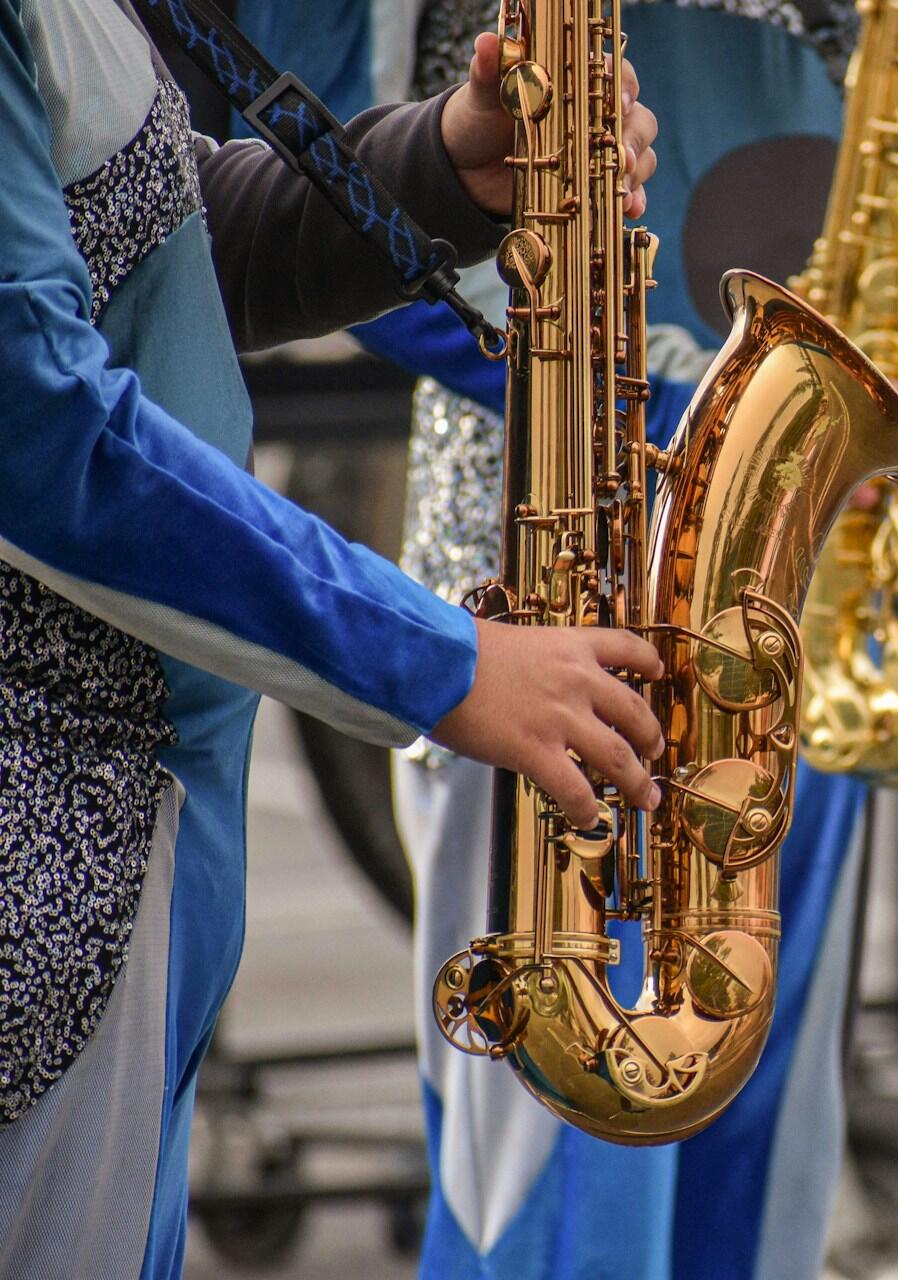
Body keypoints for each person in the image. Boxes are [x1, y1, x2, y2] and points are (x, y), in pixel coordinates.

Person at [278, 2, 898, 1276]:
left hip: (793, 576)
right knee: (559, 1212)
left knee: (760, 1196)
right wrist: (715, 415)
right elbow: (313, 167)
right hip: (558, 593)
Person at [0, 3, 662, 1278]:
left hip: (115, 809)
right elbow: (39, 437)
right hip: (44, 840)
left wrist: (438, 173)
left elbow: (153, 226)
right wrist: (440, 661)